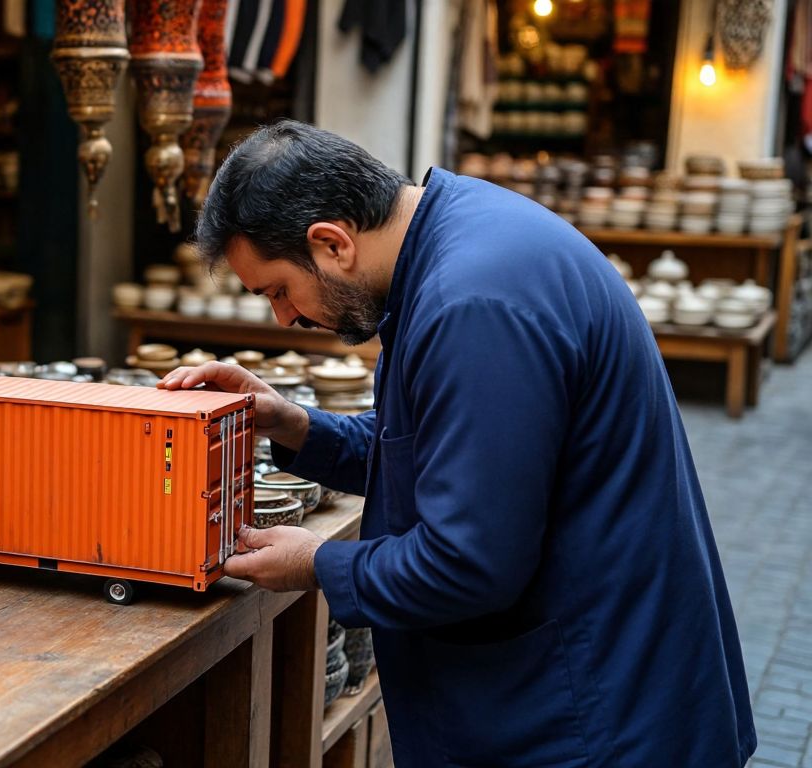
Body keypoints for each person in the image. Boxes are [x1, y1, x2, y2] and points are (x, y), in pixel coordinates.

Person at [159, 121, 755, 767]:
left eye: (279, 289)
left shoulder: (472, 304)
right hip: (588, 671)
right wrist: (293, 423)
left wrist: (318, 564)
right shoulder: (456, 234)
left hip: (589, 710)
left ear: (331, 243)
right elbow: (437, 453)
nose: (285, 316)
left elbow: (468, 564)